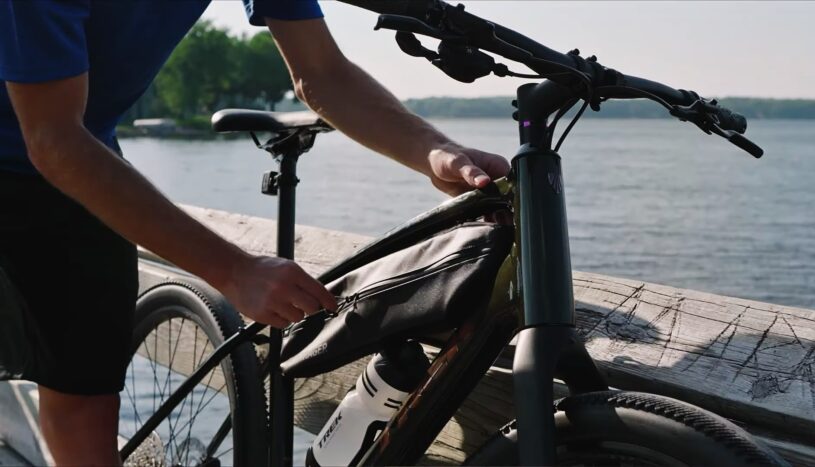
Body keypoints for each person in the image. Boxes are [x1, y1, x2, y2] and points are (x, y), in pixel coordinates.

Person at [0, 0, 509, 465]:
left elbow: (323, 72)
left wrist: (433, 151)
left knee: (84, 396)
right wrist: (235, 271)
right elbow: (53, 138)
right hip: (59, 145)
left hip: (85, 159)